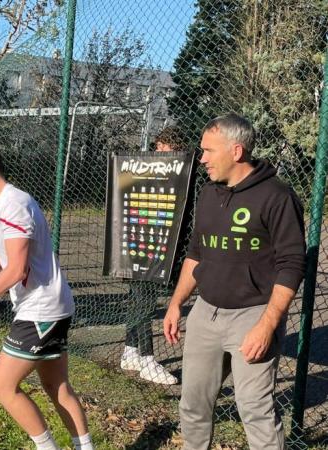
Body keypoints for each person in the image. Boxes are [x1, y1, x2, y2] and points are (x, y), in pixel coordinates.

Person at [163, 113, 306, 449]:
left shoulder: (277, 197)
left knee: (255, 409)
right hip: (205, 313)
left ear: (236, 151)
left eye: (209, 151)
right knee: (193, 404)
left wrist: (267, 325)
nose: (203, 159)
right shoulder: (209, 193)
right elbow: (196, 254)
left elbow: (292, 264)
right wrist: (175, 304)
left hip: (252, 316)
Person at [0, 140, 94, 450]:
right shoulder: (6, 203)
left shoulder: (12, 204)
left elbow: (15, 270)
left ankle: (46, 447)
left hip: (40, 311)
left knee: (2, 386)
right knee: (56, 386)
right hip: (50, 307)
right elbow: (2, 255)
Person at [120, 126, 185, 385]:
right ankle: (145, 357)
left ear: (176, 147)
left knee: (141, 298)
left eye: (162, 147)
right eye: (156, 146)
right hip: (143, 242)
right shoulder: (148, 171)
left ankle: (131, 350)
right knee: (141, 298)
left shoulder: (184, 174)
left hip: (161, 245)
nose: (157, 151)